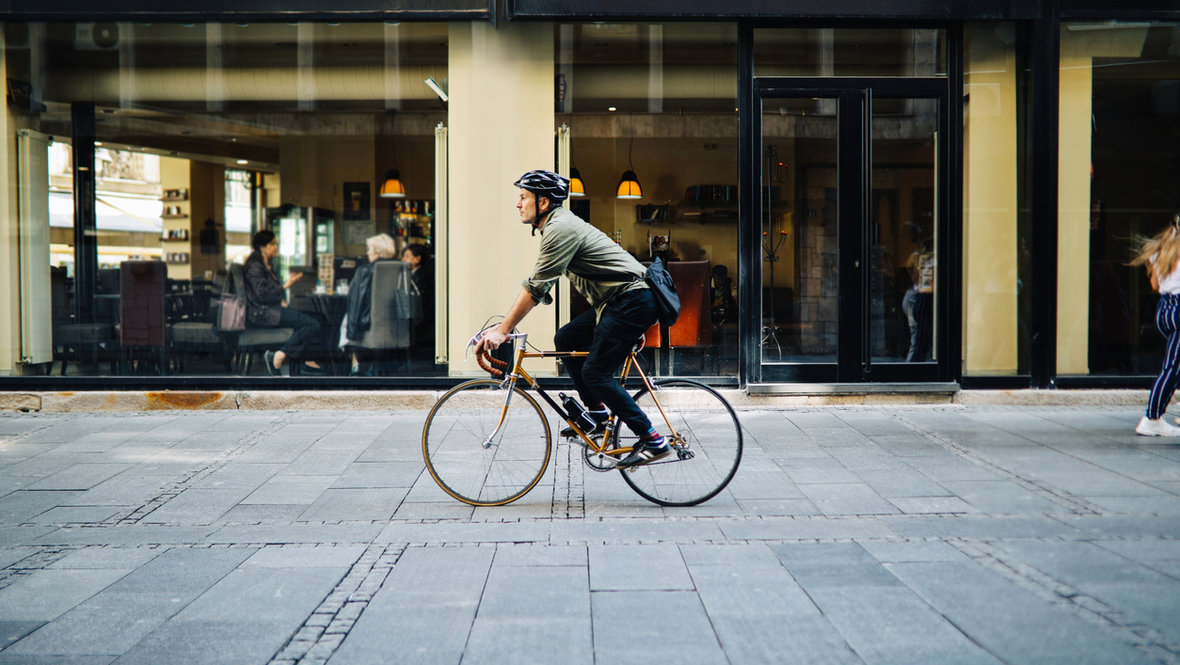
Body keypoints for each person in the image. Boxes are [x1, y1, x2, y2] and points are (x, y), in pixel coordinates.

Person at [474, 169, 668, 468]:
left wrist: (503, 330)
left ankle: (653, 440)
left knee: (596, 374)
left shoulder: (560, 228)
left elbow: (536, 286)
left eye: (523, 197)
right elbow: (543, 284)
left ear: (543, 203)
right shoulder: (556, 226)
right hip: (620, 302)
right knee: (566, 338)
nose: (518, 203)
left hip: (630, 301)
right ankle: (600, 416)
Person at [242, 229, 324, 376]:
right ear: (263, 246)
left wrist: (282, 299)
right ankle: (279, 355)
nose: (276, 247)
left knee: (318, 317)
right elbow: (261, 294)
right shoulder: (255, 265)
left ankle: (305, 360)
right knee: (312, 324)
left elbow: (268, 290)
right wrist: (286, 285)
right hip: (263, 313)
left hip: (272, 309)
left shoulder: (266, 264)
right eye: (272, 244)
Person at [1130, 212, 1180, 436]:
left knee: (1174, 364)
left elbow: (1155, 283)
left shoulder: (1162, 252)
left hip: (1166, 308)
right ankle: (1152, 418)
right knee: (1172, 368)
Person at [343, 233, 399, 376]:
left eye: (369, 249)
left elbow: (355, 302)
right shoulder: (400, 268)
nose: (367, 252)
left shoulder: (365, 271)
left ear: (377, 252)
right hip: (395, 327)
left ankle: (355, 364)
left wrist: (352, 332)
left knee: (343, 322)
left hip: (370, 327)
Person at [402, 242, 435, 365]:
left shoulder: (421, 277)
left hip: (422, 319)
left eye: (407, 256)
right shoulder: (414, 275)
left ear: (417, 258)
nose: (403, 259)